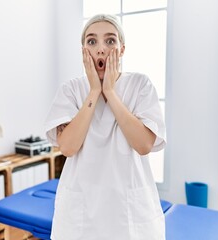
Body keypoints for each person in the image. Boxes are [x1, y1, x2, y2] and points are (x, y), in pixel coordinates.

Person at [44, 14, 166, 239]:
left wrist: (109, 91)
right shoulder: (71, 90)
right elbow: (68, 147)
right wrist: (94, 91)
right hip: (81, 212)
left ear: (121, 50)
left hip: (128, 211)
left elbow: (144, 145)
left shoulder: (140, 85)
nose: (101, 48)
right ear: (83, 51)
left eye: (110, 41)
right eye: (92, 41)